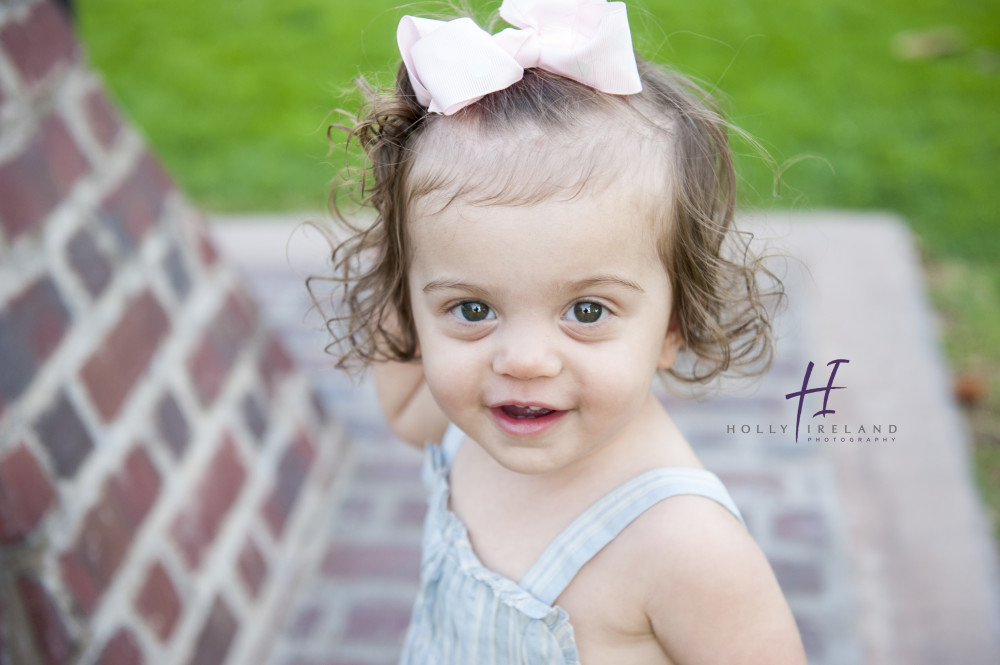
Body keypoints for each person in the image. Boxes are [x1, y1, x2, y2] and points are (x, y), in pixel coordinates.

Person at [320, 0, 807, 662]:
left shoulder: (684, 545)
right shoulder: (467, 421)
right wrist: (406, 230)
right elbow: (406, 410)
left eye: (586, 311)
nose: (522, 360)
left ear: (675, 324)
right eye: (471, 308)